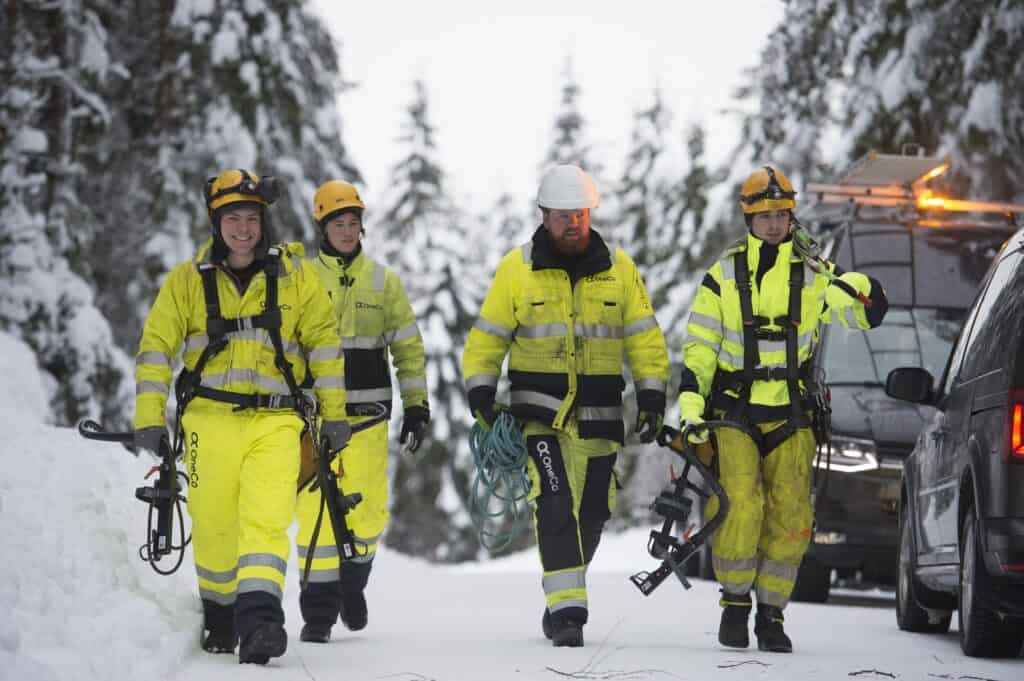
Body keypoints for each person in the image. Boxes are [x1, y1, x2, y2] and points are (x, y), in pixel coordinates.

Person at [133, 169, 348, 664]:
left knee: (266, 520)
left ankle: (261, 622)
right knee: (214, 525)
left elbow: (324, 348)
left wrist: (335, 417)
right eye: (234, 218)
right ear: (216, 222)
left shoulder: (297, 281)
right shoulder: (185, 283)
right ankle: (220, 615)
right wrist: (149, 416)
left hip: (276, 423)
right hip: (207, 423)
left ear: (263, 222)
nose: (244, 229)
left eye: (252, 218)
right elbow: (156, 349)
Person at [678, 166, 889, 652]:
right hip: (733, 411)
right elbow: (700, 350)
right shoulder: (722, 276)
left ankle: (771, 614)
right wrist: (691, 410)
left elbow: (857, 309)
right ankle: (735, 605)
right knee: (739, 505)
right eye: (766, 214)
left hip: (792, 412)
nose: (775, 223)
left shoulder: (814, 272)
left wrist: (868, 294)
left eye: (782, 214)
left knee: (792, 512)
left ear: (792, 216)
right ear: (748, 217)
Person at [462, 164, 670, 648]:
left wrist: (652, 394)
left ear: (590, 214)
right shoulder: (517, 269)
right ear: (544, 216)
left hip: (599, 415)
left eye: (579, 214)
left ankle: (559, 597)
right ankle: (570, 612)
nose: (571, 223)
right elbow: (487, 336)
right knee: (554, 505)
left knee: (593, 514)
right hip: (539, 414)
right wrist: (481, 390)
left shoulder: (620, 269)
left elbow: (644, 339)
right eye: (561, 215)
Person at [294, 180, 429, 643]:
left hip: (369, 417)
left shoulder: (383, 281)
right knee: (316, 511)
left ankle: (354, 584)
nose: (347, 232)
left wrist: (417, 406)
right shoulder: (302, 278)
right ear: (322, 228)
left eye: (353, 223)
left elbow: (408, 348)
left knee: (368, 512)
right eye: (338, 224)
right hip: (314, 418)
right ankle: (317, 613)